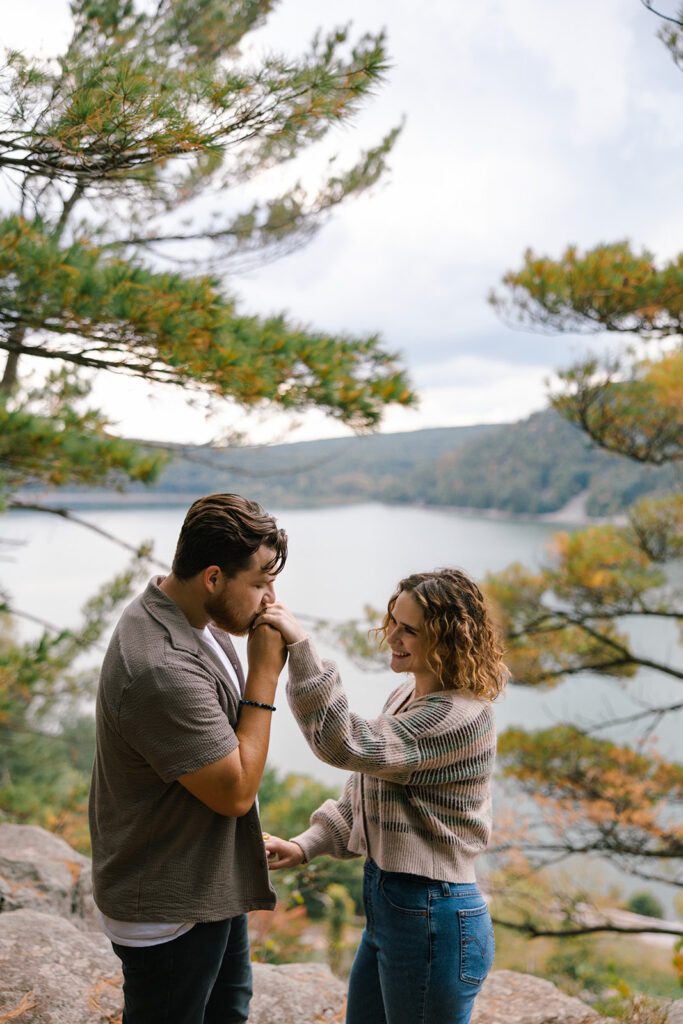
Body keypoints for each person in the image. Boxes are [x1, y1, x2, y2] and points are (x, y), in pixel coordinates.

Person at [258, 568, 509, 1024]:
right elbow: (364, 792)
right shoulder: (405, 697)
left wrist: (302, 649)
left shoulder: (462, 717)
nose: (391, 635)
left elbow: (347, 744)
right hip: (392, 905)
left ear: (448, 639)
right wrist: (305, 845)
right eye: (393, 620)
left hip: (431, 912)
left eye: (409, 629)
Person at [88, 493, 289, 1024]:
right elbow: (235, 793)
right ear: (214, 577)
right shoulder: (160, 666)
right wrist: (265, 673)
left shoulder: (186, 614)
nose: (271, 599)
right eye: (261, 582)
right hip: (168, 905)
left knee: (229, 1013)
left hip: (205, 878)